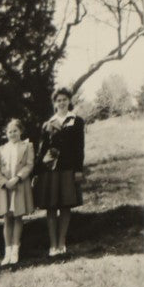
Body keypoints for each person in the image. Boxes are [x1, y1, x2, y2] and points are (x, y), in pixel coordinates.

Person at [40, 88, 86, 256]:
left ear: (69, 101)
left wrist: (79, 170)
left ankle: (62, 243)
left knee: (66, 206)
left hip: (68, 169)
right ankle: (53, 245)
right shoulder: (47, 124)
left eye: (64, 99)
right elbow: (43, 150)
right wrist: (39, 171)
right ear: (54, 103)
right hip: (50, 172)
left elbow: (80, 148)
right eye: (58, 100)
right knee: (51, 207)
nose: (61, 102)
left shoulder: (77, 121)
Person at [0, 118, 37, 266]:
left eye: (15, 131)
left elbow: (30, 165)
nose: (12, 134)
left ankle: (15, 250)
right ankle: (7, 251)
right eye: (10, 131)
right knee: (7, 218)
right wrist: (5, 182)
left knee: (18, 216)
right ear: (6, 133)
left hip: (19, 185)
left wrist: (17, 178)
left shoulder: (27, 146)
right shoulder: (0, 150)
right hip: (5, 188)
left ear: (21, 131)